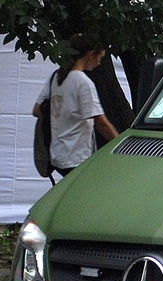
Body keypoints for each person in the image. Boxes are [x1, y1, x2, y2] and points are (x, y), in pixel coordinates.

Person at [33, 35, 119, 177]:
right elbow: (101, 122)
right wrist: (120, 144)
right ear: (91, 54)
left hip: (57, 155)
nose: (99, 63)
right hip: (77, 156)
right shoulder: (83, 83)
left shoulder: (56, 77)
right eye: (100, 58)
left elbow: (37, 110)